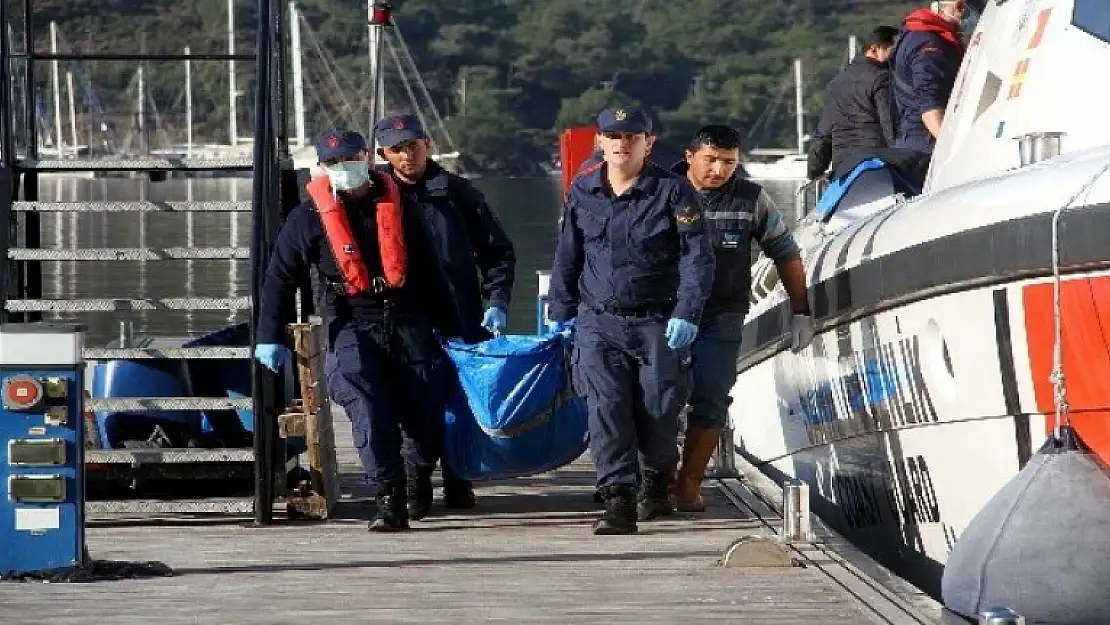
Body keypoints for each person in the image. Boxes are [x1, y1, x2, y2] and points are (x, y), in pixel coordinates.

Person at [254, 129, 446, 532]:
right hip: (350, 319)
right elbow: (279, 278)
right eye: (334, 163)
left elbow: (432, 270)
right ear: (323, 167)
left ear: (367, 157)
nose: (344, 168)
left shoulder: (403, 206)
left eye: (350, 159)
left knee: (425, 410)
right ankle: (389, 496)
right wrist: (270, 335)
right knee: (368, 408)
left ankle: (418, 474)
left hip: (408, 315)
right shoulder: (307, 217)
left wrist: (455, 327)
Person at [547, 106, 715, 535]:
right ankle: (617, 497)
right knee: (605, 408)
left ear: (648, 142)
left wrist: (688, 313)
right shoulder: (583, 191)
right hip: (598, 321)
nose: (622, 143)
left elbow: (698, 257)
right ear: (600, 141)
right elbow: (568, 255)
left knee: (659, 408)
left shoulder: (674, 192)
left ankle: (655, 482)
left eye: (632, 136)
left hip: (658, 320)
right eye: (613, 136)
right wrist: (560, 313)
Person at [372, 113, 517, 520]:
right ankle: (416, 482)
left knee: (462, 401)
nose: (407, 155)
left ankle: (459, 477)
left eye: (413, 145)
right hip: (402, 318)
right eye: (397, 148)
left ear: (428, 144)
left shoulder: (458, 193)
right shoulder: (374, 195)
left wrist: (498, 302)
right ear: (383, 153)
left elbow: (497, 252)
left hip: (462, 315)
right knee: (414, 402)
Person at [670, 125, 814, 512]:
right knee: (657, 396)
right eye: (711, 160)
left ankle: (690, 481)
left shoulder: (751, 198)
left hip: (723, 313)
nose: (719, 169)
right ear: (690, 156)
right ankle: (656, 476)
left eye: (729, 162)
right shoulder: (662, 191)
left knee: (712, 397)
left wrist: (801, 312)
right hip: (664, 312)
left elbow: (785, 251)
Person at [807, 26, 899, 181]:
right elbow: (889, 125)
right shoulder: (882, 78)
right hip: (876, 167)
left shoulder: (835, 83)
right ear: (874, 49)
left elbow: (823, 134)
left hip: (844, 170)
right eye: (893, 49)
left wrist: (814, 171)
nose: (896, 56)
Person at [891, 0, 969, 155]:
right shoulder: (930, 44)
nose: (965, 13)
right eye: (960, 7)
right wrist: (953, 152)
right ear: (939, 6)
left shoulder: (917, 36)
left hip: (914, 137)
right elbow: (930, 105)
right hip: (926, 143)